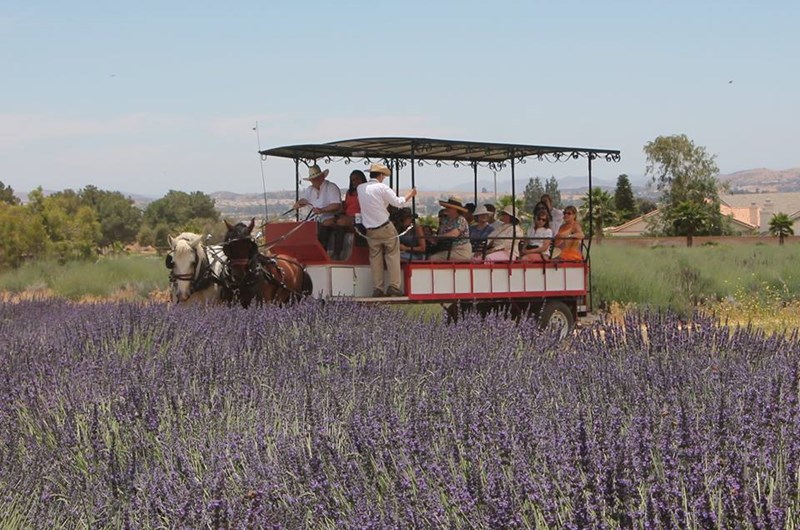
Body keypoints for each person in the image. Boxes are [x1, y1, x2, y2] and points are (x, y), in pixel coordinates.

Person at [357, 163, 416, 297]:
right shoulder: (382, 187)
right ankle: (394, 286)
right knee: (392, 255)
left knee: (375, 258)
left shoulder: (361, 188)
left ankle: (378, 288)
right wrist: (410, 195)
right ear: (381, 175)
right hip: (385, 226)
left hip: (370, 230)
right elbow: (399, 203)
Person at [293, 164, 342, 252]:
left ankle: (323, 250)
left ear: (322, 176)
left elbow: (336, 205)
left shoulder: (331, 187)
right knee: (305, 227)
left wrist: (322, 210)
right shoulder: (310, 190)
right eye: (312, 179)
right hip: (314, 219)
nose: (313, 181)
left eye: (316, 178)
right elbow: (306, 200)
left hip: (330, 217)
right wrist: (300, 203)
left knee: (325, 224)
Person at [330, 170, 367, 259]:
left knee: (341, 223)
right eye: (352, 180)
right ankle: (336, 253)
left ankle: (337, 254)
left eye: (357, 179)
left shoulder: (366, 192)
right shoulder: (349, 193)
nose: (354, 182)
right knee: (335, 224)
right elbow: (346, 206)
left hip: (360, 218)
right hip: (347, 217)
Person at [428, 197, 472, 261]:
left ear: (456, 209)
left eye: (449, 207)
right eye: (446, 207)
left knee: (433, 258)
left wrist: (437, 237)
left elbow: (454, 234)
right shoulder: (446, 220)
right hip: (447, 249)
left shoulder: (461, 219)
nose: (446, 209)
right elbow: (441, 233)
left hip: (460, 251)